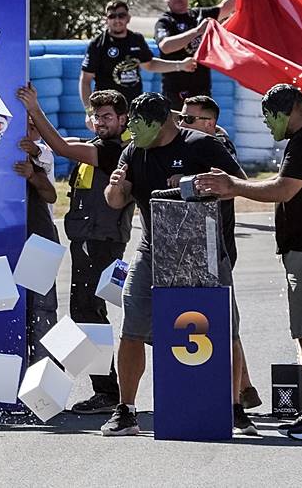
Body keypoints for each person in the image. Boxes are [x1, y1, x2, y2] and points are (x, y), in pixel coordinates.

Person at [101, 92, 255, 436]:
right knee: (132, 324)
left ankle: (233, 407)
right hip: (152, 248)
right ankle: (126, 410)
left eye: (139, 125)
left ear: (160, 124)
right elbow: (115, 201)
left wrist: (194, 185)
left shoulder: (202, 145)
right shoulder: (133, 150)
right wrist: (115, 188)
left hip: (203, 249)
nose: (132, 133)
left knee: (224, 328)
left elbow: (239, 185)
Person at [195, 84, 302, 440]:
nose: (266, 126)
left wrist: (232, 186)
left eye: (269, 118)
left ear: (287, 111)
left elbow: (283, 189)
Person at [18, 85, 134, 413]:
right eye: (96, 116)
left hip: (102, 243)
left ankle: (106, 391)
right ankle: (92, 385)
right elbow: (59, 147)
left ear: (123, 119)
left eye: (107, 116)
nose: (100, 122)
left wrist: (35, 109)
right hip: (88, 242)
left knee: (89, 313)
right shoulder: (97, 144)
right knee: (86, 312)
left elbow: (60, 146)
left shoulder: (115, 150)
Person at [178, 95, 261, 410]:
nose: (182, 124)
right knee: (213, 319)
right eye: (181, 118)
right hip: (193, 244)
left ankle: (236, 395)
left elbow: (234, 184)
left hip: (218, 246)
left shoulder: (217, 147)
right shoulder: (194, 143)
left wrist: (184, 182)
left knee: (224, 322)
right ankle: (245, 387)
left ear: (209, 123)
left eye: (189, 119)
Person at [80, 0, 197, 109]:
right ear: (106, 20)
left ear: (128, 18)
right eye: (112, 16)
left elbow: (150, 65)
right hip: (107, 108)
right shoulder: (98, 44)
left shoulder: (136, 39)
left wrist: (180, 65)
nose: (117, 20)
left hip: (133, 106)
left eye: (121, 16)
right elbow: (85, 80)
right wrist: (89, 111)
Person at [155, 0, 238, 110]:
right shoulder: (165, 21)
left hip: (201, 90)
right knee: (179, 123)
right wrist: (197, 31)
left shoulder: (199, 15)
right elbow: (166, 46)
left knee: (204, 122)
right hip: (176, 93)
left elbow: (226, 8)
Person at [14, 119, 59, 364]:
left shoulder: (43, 153)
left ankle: (44, 369)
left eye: (32, 127)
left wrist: (32, 174)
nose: (26, 131)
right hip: (12, 241)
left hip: (40, 240)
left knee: (42, 309)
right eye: (24, 126)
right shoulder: (0, 154)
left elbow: (51, 194)